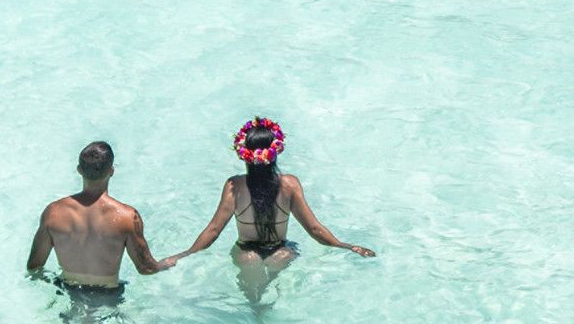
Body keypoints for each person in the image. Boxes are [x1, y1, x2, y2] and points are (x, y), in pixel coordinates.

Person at [169, 117, 375, 302]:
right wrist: (346, 246)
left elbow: (213, 231)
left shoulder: (234, 187)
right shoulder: (290, 185)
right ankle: (271, 299)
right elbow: (315, 230)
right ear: (275, 152)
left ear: (244, 156)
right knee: (281, 260)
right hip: (281, 248)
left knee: (250, 268)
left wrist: (185, 254)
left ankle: (256, 308)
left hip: (246, 249)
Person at [27, 140, 175, 306]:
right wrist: (165, 264)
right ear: (111, 171)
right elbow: (146, 268)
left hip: (67, 290)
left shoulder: (53, 212)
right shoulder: (127, 217)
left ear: (79, 170)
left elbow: (34, 265)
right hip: (108, 295)